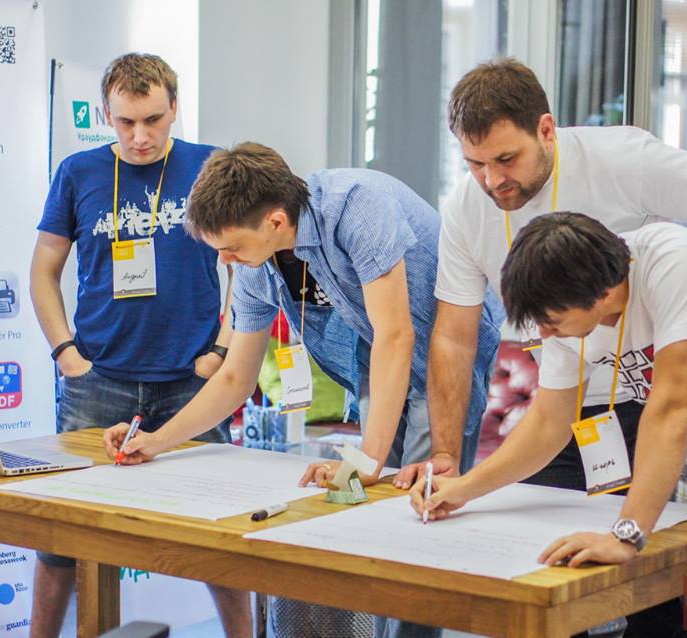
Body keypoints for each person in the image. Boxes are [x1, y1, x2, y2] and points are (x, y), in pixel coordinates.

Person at [394, 58, 687, 635]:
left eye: (506, 159)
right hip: (564, 402)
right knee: (545, 573)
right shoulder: (468, 209)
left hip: (659, 398)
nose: (492, 181)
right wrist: (448, 457)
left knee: (660, 592)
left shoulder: (623, 160)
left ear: (546, 130)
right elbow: (453, 333)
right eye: (475, 164)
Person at [104, 141, 501, 638]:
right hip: (375, 362)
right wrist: (156, 441)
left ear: (274, 221)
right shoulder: (256, 264)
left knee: (418, 521)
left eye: (231, 246)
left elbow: (398, 335)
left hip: (445, 356)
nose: (225, 259)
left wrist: (365, 459)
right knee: (369, 514)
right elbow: (236, 377)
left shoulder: (356, 206)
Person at [412, 212, 687, 637]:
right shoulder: (568, 319)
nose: (545, 333)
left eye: (552, 321)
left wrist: (626, 535)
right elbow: (547, 424)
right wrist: (464, 489)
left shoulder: (676, 264)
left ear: (604, 292)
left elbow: (675, 409)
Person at [29, 53, 251, 638]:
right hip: (98, 379)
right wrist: (65, 353)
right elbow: (44, 269)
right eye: (126, 122)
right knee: (61, 538)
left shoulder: (208, 166)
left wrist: (222, 349)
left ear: (174, 107)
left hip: (192, 381)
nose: (140, 136)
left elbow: (246, 264)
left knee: (220, 534)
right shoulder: (78, 172)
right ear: (106, 114)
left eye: (153, 119)